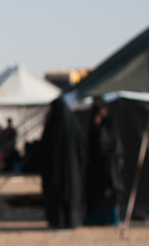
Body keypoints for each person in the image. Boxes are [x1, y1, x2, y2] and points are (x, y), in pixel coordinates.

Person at [39, 97, 86, 228]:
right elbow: (82, 146)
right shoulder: (74, 123)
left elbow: (44, 149)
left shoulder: (51, 126)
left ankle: (57, 221)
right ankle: (72, 221)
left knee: (56, 196)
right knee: (71, 195)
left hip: (54, 171)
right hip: (72, 171)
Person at [83, 99, 124, 226]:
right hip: (97, 170)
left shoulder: (109, 125)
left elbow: (106, 144)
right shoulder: (94, 125)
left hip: (108, 169)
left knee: (108, 195)